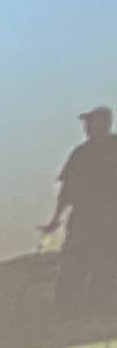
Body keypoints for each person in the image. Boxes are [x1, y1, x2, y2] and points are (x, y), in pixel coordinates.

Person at [46, 106, 117, 322]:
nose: (86, 127)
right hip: (83, 219)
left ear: (103, 123)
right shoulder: (80, 153)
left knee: (106, 266)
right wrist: (56, 219)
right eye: (86, 123)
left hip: (109, 219)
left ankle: (98, 312)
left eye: (90, 122)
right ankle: (66, 313)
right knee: (74, 265)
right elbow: (66, 189)